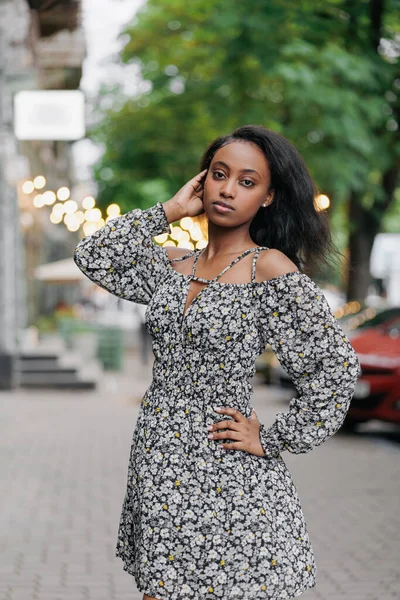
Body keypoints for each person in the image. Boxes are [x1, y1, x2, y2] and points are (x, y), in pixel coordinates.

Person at [73, 124, 361, 600]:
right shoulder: (173, 266)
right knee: (160, 589)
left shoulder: (268, 268)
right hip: (159, 455)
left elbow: (335, 369)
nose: (228, 189)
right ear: (202, 180)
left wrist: (272, 437)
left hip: (225, 464)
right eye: (219, 175)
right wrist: (169, 210)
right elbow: (95, 255)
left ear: (268, 198)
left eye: (247, 182)